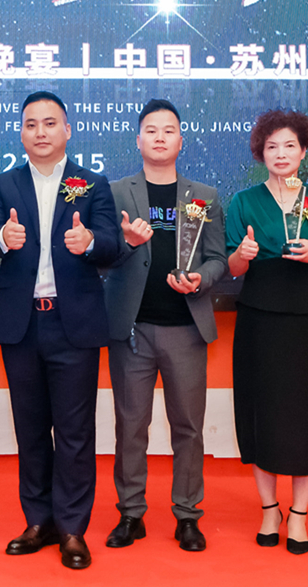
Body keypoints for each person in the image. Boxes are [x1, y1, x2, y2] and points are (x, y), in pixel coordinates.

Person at [0, 91, 120, 570]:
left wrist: (90, 240)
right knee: (31, 428)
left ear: (67, 130)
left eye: (50, 123)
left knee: (75, 432)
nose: (40, 132)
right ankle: (39, 521)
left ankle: (73, 528)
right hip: (22, 324)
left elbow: (113, 245)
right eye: (31, 124)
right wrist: (2, 237)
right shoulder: (3, 184)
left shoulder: (92, 184)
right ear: (21, 132)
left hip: (72, 323)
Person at [102, 99, 226, 553]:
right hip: (132, 329)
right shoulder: (116, 193)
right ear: (138, 140)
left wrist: (201, 280)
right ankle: (131, 513)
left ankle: (187, 515)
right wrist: (126, 243)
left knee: (188, 427)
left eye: (168, 130)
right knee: (130, 425)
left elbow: (217, 259)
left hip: (186, 329)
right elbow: (101, 258)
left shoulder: (204, 196)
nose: (159, 137)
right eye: (151, 130)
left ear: (180, 140)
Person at [224, 109, 308, 556]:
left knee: (304, 416)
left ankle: (299, 515)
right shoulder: (243, 201)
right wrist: (244, 254)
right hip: (258, 316)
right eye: (271, 146)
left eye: (289, 145)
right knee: (260, 412)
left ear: (303, 150)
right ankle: (269, 508)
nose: (280, 153)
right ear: (261, 152)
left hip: (307, 317)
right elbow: (233, 268)